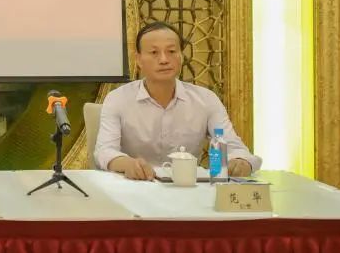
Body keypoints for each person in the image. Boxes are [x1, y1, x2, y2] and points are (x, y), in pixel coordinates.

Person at [94, 21, 261, 180]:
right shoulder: (118, 99)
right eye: (154, 52)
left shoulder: (206, 100)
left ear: (181, 56)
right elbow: (104, 151)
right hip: (134, 186)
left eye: (172, 51)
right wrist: (127, 164)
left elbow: (235, 148)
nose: (164, 59)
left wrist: (241, 162)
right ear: (138, 60)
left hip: (188, 188)